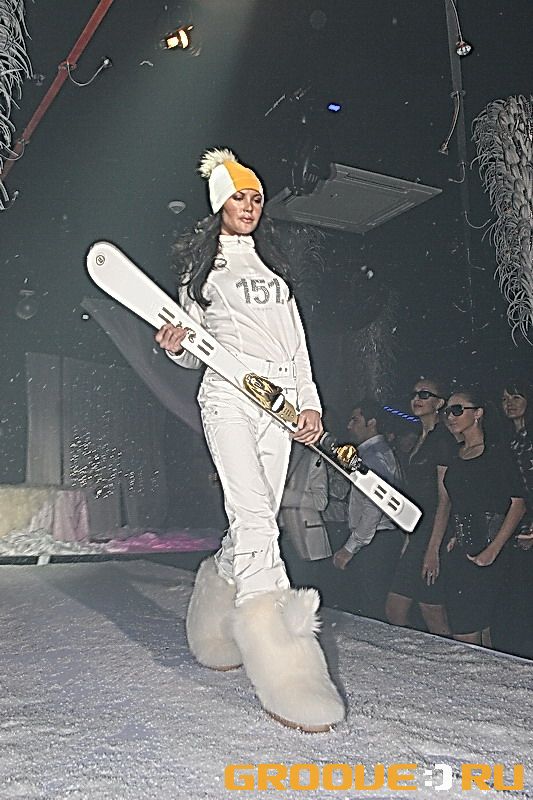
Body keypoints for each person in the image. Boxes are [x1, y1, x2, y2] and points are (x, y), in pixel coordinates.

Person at [155, 148, 344, 731]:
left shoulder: (275, 273)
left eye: (257, 198)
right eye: (239, 196)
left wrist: (310, 405)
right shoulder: (202, 274)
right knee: (258, 521)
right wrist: (177, 346)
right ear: (220, 204)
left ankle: (213, 613)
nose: (250, 206)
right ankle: (287, 669)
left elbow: (296, 345)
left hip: (278, 404)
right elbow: (192, 351)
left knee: (254, 519)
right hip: (228, 398)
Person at [439, 388, 526, 646]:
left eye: (457, 410)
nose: (450, 417)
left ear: (477, 413)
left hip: (490, 550)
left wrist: (492, 550)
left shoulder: (496, 453)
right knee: (476, 630)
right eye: (447, 411)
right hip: (462, 551)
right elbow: (461, 502)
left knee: (467, 632)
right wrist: (456, 533)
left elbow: (518, 504)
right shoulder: (456, 455)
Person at [386, 378, 454, 636]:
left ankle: (453, 659)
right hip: (418, 532)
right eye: (414, 394)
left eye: (425, 394)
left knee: (431, 611)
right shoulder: (421, 438)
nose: (416, 399)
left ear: (439, 403)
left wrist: (433, 548)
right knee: (397, 609)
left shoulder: (442, 440)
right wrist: (409, 537)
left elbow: (444, 499)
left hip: (434, 533)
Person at [332, 399, 405, 621]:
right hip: (380, 538)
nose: (349, 426)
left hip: (375, 540)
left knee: (371, 611)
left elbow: (374, 505)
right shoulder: (376, 452)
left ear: (371, 422)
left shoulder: (373, 456)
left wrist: (350, 548)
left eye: (355, 420)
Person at [495, 379, 533, 656]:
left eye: (516, 397)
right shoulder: (506, 438)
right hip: (513, 524)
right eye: (505, 398)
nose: (509, 403)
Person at [278, 446, 331, 592]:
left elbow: (321, 501)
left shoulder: (312, 457)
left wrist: (285, 497)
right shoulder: (274, 456)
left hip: (306, 542)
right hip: (279, 540)